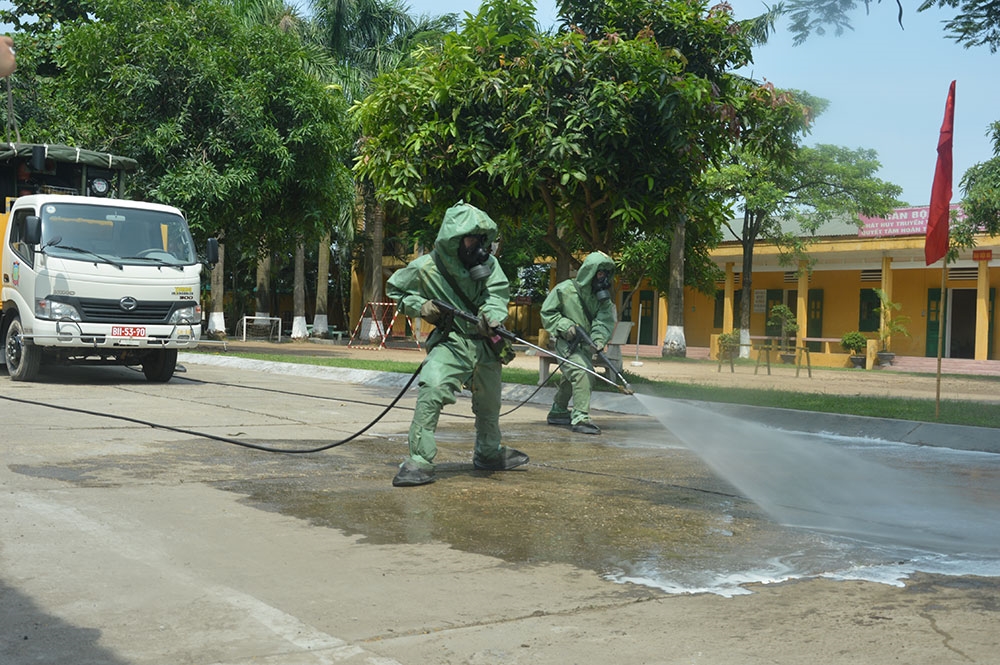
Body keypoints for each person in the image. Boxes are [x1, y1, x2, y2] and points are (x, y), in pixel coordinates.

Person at [385, 201, 528, 487]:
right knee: (433, 388)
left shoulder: (489, 264)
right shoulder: (427, 267)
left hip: (486, 343)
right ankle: (419, 460)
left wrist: (492, 315)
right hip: (452, 342)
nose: (479, 246)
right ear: (454, 239)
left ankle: (488, 452)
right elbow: (395, 289)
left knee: (490, 404)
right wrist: (421, 306)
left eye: (482, 239)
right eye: (472, 238)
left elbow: (496, 295)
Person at [540, 251, 617, 435]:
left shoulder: (602, 298)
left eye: (606, 274)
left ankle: (558, 411)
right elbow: (547, 312)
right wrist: (566, 326)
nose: (603, 278)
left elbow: (604, 321)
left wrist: (598, 340)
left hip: (585, 345)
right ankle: (581, 417)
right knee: (583, 372)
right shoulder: (565, 289)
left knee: (571, 376)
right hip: (565, 343)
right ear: (590, 272)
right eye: (600, 273)